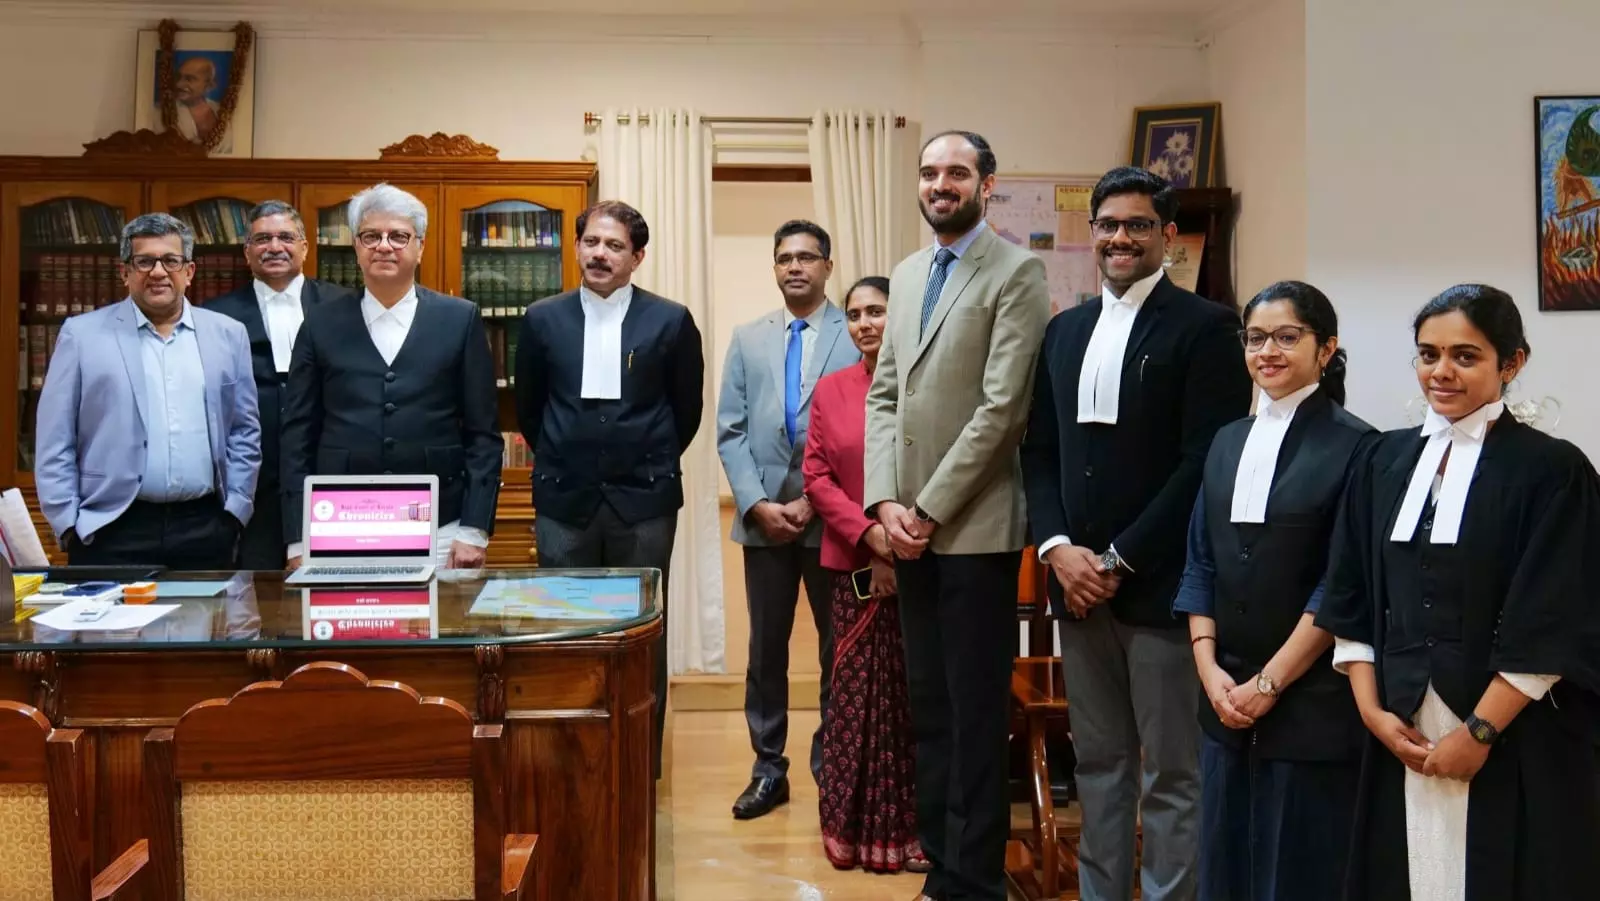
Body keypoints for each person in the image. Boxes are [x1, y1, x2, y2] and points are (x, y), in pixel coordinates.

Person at [1316, 284, 1600, 901]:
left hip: (1511, 728)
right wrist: (1373, 715)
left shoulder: (1552, 470)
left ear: (1512, 362)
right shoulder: (1381, 460)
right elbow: (1349, 591)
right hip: (1398, 722)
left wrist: (1480, 733)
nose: (1441, 371)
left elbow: (1553, 614)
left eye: (1465, 356)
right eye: (1428, 354)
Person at [1020, 165, 1252, 901]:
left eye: (1138, 225)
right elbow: (1039, 452)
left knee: (1172, 773)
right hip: (1076, 589)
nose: (1121, 237)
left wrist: (1119, 559)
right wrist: (1058, 549)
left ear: (1168, 235)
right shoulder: (1064, 330)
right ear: (1092, 233)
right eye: (1109, 225)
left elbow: (1202, 463)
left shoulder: (1207, 328)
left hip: (1160, 590)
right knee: (1098, 765)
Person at [864, 130, 1050, 901]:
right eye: (930, 172)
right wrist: (885, 503)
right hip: (908, 534)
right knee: (930, 709)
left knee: (975, 714)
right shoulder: (909, 273)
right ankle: (943, 868)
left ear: (987, 185)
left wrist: (927, 508)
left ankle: (976, 879)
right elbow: (884, 394)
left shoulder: (1018, 271)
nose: (941, 184)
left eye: (957, 173)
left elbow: (1002, 410)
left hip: (973, 531)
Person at [1172, 281, 1373, 901]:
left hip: (1309, 702)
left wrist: (1269, 683)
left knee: (1295, 877)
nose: (1267, 352)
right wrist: (1208, 668)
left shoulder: (1359, 447)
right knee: (1223, 871)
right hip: (1224, 700)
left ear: (1326, 348)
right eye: (1255, 338)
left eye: (1287, 337)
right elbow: (1200, 559)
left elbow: (1341, 582)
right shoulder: (1227, 439)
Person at [515, 199, 704, 775]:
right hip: (563, 500)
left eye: (615, 246)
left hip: (643, 502)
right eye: (592, 242)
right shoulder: (542, 318)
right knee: (564, 631)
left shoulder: (670, 320)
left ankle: (639, 760)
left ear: (637, 257)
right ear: (576, 247)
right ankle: (570, 759)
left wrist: (640, 457)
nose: (601, 254)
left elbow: (686, 412)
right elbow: (528, 409)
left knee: (641, 632)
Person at [280, 183, 502, 570]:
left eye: (399, 236)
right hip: (339, 521)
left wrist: (474, 529)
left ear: (420, 247)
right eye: (371, 236)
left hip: (441, 524)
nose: (384, 246)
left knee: (438, 613)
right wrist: (298, 538)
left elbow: (483, 432)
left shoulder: (459, 318)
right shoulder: (320, 322)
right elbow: (297, 432)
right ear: (356, 247)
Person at [718, 219, 859, 819]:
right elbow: (730, 431)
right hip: (765, 522)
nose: (794, 266)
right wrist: (756, 503)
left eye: (806, 257)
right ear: (774, 268)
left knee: (838, 649)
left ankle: (834, 767)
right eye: (784, 258)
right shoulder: (748, 338)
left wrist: (814, 501)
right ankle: (768, 769)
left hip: (835, 522)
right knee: (766, 651)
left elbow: (867, 425)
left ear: (828, 265)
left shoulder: (855, 331)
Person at [34, 212, 260, 569]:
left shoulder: (229, 334)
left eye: (171, 260)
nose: (158, 272)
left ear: (189, 271)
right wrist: (67, 521)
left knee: (205, 610)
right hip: (110, 526)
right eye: (144, 261)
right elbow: (55, 437)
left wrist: (237, 507)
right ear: (125, 272)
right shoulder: (81, 335)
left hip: (206, 527)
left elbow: (244, 430)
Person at [802, 276, 927, 874]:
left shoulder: (922, 386)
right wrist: (869, 536)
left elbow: (925, 468)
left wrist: (896, 544)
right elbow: (816, 477)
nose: (865, 324)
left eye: (876, 311)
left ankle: (910, 829)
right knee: (851, 697)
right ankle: (848, 828)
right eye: (854, 315)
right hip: (851, 567)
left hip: (922, 561)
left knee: (909, 700)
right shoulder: (831, 390)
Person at [208, 200, 353, 570]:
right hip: (251, 485)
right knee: (255, 591)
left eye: (286, 237)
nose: (274, 247)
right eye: (262, 239)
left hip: (331, 476)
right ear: (247, 252)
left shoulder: (346, 307)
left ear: (304, 247)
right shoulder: (215, 317)